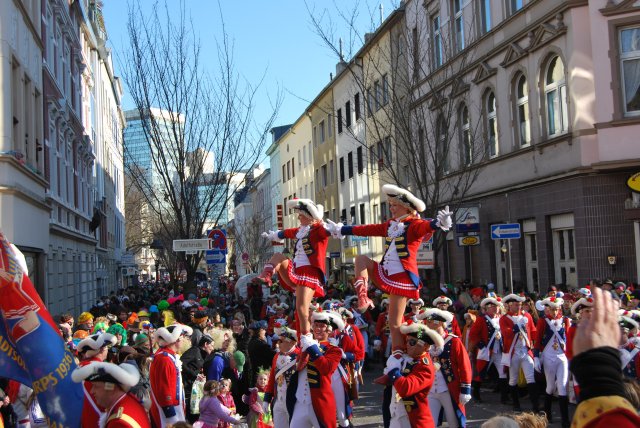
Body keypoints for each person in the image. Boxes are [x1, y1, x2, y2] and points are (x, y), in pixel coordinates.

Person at [326, 184, 452, 378]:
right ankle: (363, 298)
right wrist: (344, 229)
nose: (391, 208)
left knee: (394, 323)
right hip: (386, 272)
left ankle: (398, 357)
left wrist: (438, 223)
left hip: (402, 278)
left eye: (394, 205)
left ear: (406, 207)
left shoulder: (414, 224)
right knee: (360, 260)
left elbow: (427, 226)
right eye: (390, 204)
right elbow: (368, 229)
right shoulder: (391, 225)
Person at [254, 198, 330, 341]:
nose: (298, 217)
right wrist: (275, 235)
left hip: (309, 274)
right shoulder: (301, 231)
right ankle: (266, 276)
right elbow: (287, 233)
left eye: (301, 215)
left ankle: (306, 338)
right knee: (278, 256)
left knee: (301, 308)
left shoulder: (319, 230)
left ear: (309, 216)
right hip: (296, 271)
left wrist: (338, 229)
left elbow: (327, 231)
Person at [569, 286, 640, 427]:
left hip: (620, 389)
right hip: (583, 372)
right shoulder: (575, 329)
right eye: (586, 311)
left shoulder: (633, 348)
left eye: (591, 311)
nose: (590, 314)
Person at [287, 309, 342, 428]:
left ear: (329, 330)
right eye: (316, 325)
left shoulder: (334, 350)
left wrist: (312, 347)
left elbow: (326, 369)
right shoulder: (306, 343)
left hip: (319, 402)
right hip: (300, 402)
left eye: (321, 326)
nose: (317, 329)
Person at [418, 308, 472, 428]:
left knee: (454, 422)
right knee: (429, 423)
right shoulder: (424, 342)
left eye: (432, 322)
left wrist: (465, 390)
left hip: (449, 389)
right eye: (427, 322)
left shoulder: (453, 341)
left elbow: (465, 366)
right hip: (430, 390)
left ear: (441, 323)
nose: (429, 325)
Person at [385, 320, 443, 427]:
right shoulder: (410, 359)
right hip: (398, 414)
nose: (407, 345)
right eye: (406, 341)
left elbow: (405, 388)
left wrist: (393, 369)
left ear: (426, 346)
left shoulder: (425, 366)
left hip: (412, 419)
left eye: (412, 342)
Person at [72, 361, 150, 427]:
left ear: (110, 387)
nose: (92, 391)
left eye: (96, 386)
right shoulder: (129, 401)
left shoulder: (119, 422)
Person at [535, 296, 571, 427]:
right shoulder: (542, 321)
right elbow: (538, 339)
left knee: (562, 386)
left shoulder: (565, 320)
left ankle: (565, 420)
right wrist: (536, 357)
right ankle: (547, 413)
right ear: (548, 309)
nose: (554, 312)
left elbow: (568, 339)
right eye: (552, 309)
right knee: (550, 386)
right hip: (548, 356)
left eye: (556, 309)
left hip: (562, 357)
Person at [499, 293, 539, 412]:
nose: (519, 307)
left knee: (530, 377)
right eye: (516, 305)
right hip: (513, 352)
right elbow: (505, 333)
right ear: (510, 305)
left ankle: (535, 406)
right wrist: (514, 329)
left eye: (520, 305)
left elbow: (533, 330)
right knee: (513, 379)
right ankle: (516, 404)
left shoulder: (527, 316)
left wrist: (537, 344)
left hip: (526, 351)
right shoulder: (504, 318)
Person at [149, 323, 193, 427]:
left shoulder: (169, 356)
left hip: (175, 406)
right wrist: (170, 413)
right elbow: (163, 388)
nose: (183, 341)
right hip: (169, 411)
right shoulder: (164, 359)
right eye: (182, 338)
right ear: (177, 340)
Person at [469, 295, 507, 404]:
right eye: (493, 307)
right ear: (487, 308)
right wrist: (481, 345)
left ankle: (504, 397)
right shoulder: (482, 319)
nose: (496, 308)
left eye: (497, 306)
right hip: (486, 350)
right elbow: (473, 334)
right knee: (481, 372)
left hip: (499, 350)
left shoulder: (501, 318)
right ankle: (476, 394)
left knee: (503, 373)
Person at [76, 332, 118, 427]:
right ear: (102, 350)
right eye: (107, 348)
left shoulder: (78, 367)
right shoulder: (102, 370)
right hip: (98, 419)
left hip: (81, 419)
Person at [264, 325, 300, 428]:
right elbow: (272, 378)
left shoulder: (299, 356)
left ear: (292, 342)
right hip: (278, 400)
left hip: (294, 401)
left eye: (281, 341)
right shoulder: (276, 356)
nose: (278, 344)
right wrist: (267, 399)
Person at [182, 335, 215, 423]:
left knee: (196, 413)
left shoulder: (204, 354)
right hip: (187, 388)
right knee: (190, 414)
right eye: (212, 345)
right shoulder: (194, 351)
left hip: (195, 388)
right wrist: (195, 374)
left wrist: (200, 375)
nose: (213, 348)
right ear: (206, 344)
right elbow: (182, 363)